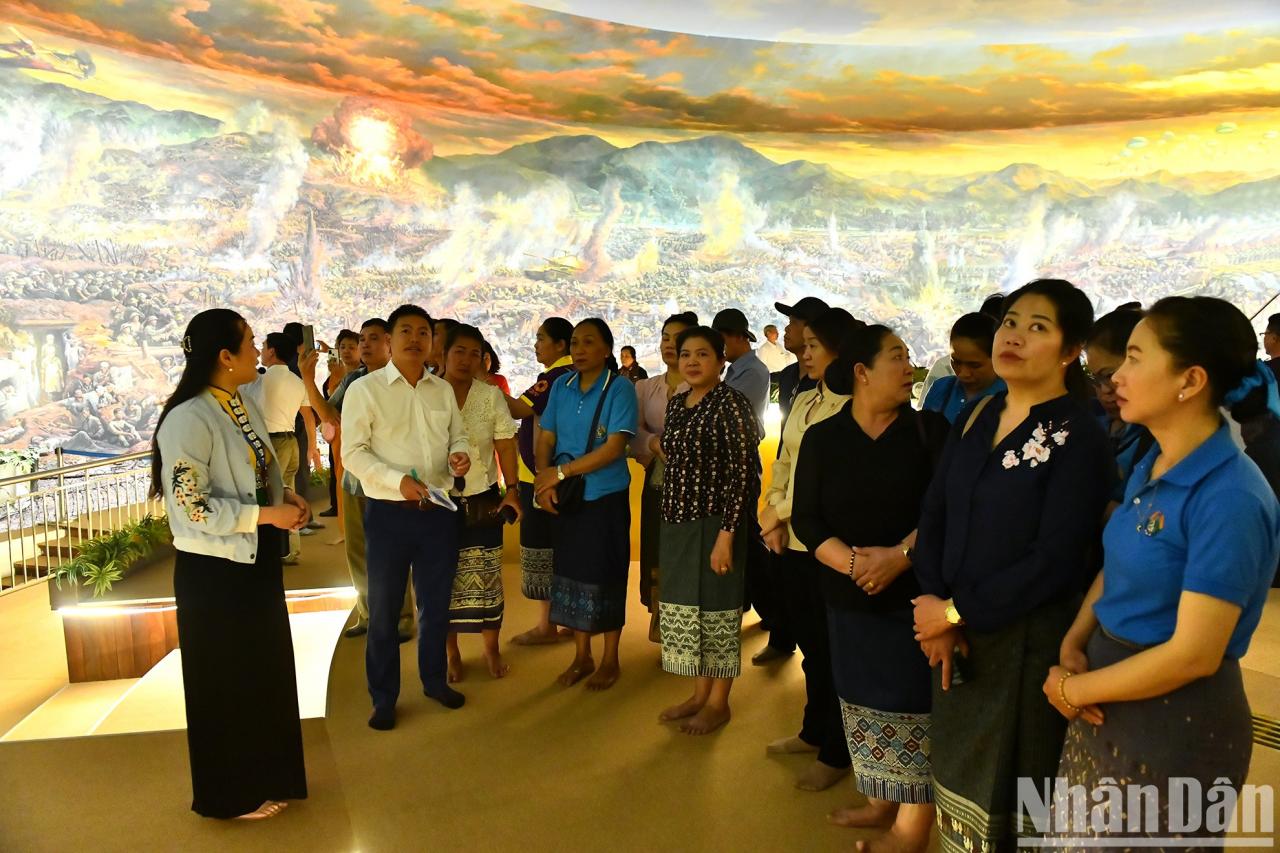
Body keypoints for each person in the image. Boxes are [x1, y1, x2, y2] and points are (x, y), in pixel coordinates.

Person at [1044, 296, 1280, 844]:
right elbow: (1120, 559)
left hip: (1174, 720)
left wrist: (1075, 690)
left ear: (1190, 380)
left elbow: (1193, 653)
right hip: (1107, 692)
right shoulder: (1156, 460)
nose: (1117, 377)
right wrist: (1077, 639)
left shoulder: (1230, 496)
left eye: (1134, 358)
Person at [911, 279, 1113, 852]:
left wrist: (953, 612)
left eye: (1038, 327)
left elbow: (1057, 559)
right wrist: (933, 605)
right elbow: (936, 510)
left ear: (1070, 350)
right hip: (949, 631)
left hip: (1024, 640)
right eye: (1010, 322)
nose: (1015, 337)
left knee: (1016, 794)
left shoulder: (1078, 435)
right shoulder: (977, 413)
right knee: (957, 777)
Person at [793, 323, 949, 852]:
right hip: (846, 592)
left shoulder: (930, 432)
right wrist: (857, 563)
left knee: (913, 705)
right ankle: (881, 799)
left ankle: (914, 825)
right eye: (897, 358)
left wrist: (900, 558)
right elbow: (808, 520)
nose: (909, 369)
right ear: (862, 372)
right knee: (862, 700)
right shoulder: (823, 438)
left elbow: (947, 512)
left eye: (908, 358)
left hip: (915, 597)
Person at [152, 308, 309, 820]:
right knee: (223, 683)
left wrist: (289, 504)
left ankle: (266, 776)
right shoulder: (188, 419)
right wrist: (268, 513)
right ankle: (228, 795)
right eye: (248, 343)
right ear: (225, 357)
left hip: (253, 558)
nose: (256, 353)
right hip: (214, 573)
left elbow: (262, 471)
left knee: (262, 673)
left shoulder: (240, 403)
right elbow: (192, 507)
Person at [341, 304, 472, 730]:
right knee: (382, 610)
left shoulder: (441, 390)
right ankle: (383, 698)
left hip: (437, 514)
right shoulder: (366, 390)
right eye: (405, 331)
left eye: (423, 332)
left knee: (435, 607)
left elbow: (459, 434)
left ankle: (433, 681)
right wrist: (396, 482)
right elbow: (353, 454)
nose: (415, 339)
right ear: (389, 340)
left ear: (433, 340)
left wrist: (461, 455)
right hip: (388, 515)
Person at [761, 307, 861, 791]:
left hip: (828, 545)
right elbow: (784, 463)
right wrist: (771, 513)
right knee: (809, 645)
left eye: (814, 346)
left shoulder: (855, 409)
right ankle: (813, 729)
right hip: (792, 539)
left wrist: (778, 514)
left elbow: (826, 486)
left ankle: (838, 751)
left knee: (833, 649)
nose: (804, 353)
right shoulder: (803, 402)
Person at [656, 326, 759, 734]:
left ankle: (719, 702)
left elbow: (743, 475)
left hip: (717, 524)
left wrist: (727, 535)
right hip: (678, 523)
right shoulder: (678, 404)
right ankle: (699, 694)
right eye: (685, 355)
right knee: (690, 610)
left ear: (721, 361)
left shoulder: (731, 404)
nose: (693, 362)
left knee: (718, 608)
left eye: (702, 354)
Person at [534, 318, 638, 690]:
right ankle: (582, 656)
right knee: (571, 575)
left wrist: (559, 474)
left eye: (588, 342)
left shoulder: (620, 389)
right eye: (575, 342)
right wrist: (545, 480)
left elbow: (614, 448)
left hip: (604, 497)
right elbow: (545, 435)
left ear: (607, 349)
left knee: (606, 575)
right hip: (566, 496)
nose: (578, 349)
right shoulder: (561, 386)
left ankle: (610, 659)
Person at [300, 319, 414, 640]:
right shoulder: (352, 380)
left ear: (389, 343)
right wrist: (308, 379)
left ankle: (403, 616)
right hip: (354, 479)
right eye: (361, 339)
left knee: (392, 551)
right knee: (358, 550)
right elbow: (328, 415)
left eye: (372, 339)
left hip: (390, 479)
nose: (364, 344)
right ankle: (368, 613)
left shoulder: (404, 380)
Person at [441, 324, 521, 682]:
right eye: (459, 351)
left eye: (476, 353)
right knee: (441, 581)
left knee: (488, 580)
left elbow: (505, 443)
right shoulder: (428, 393)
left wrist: (514, 489)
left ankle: (491, 649)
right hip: (438, 503)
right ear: (443, 353)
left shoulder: (491, 396)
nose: (467, 359)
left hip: (483, 498)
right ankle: (451, 654)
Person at [506, 317, 576, 645]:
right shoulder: (570, 375)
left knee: (544, 550)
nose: (536, 345)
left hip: (540, 477)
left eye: (541, 338)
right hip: (558, 475)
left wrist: (481, 384)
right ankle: (568, 623)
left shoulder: (556, 377)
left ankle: (547, 625)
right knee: (561, 548)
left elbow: (518, 408)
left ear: (561, 345)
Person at [633, 312, 696, 641]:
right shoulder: (646, 387)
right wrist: (652, 444)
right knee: (657, 550)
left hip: (695, 487)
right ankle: (662, 621)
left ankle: (688, 628)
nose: (670, 344)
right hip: (657, 480)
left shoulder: (704, 387)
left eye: (678, 338)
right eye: (665, 337)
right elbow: (632, 433)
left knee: (687, 552)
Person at [250, 332, 311, 565]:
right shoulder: (297, 381)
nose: (260, 352)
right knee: (290, 494)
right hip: (292, 442)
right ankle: (291, 549)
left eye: (263, 347)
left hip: (270, 444)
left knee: (272, 496)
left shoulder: (260, 380)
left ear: (272, 351)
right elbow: (307, 416)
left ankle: (276, 550)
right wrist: (312, 447)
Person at [1085, 305, 1151, 511]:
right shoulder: (1090, 421)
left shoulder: (1161, 440)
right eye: (1096, 379)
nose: (1104, 390)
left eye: (1110, 376)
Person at [922, 313, 1005, 423]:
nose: (963, 374)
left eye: (974, 365)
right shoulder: (940, 389)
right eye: (956, 362)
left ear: (998, 357)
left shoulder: (1011, 399)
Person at [318, 329, 360, 518]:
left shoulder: (351, 375)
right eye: (342, 347)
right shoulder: (339, 371)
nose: (346, 351)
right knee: (338, 476)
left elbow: (329, 405)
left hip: (348, 433)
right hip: (336, 434)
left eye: (352, 347)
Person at [775, 296, 830, 424]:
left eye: (793, 322)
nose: (786, 328)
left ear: (812, 330)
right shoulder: (786, 375)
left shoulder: (827, 381)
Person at [712, 308, 768, 425]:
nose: (717, 346)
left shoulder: (751, 372)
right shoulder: (738, 369)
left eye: (721, 339)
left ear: (740, 337)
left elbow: (722, 412)